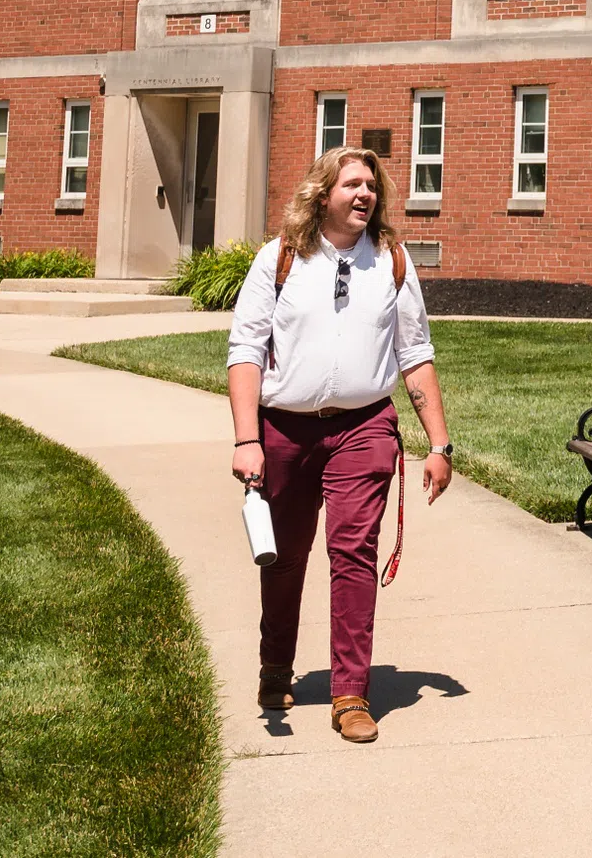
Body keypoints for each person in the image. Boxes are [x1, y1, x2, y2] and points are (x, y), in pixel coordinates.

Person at [227, 144, 455, 744]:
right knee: (286, 556)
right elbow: (246, 351)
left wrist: (440, 443)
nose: (365, 194)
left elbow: (415, 353)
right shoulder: (279, 260)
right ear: (321, 194)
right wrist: (247, 439)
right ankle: (275, 665)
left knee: (353, 552)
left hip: (363, 426)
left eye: (372, 186)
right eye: (352, 183)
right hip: (284, 428)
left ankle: (351, 692)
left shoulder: (392, 261)